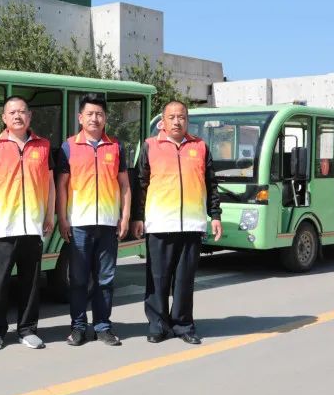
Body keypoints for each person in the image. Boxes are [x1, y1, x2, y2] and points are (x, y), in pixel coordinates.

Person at [132, 101, 221, 346]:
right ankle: (158, 325)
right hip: (160, 224)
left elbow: (211, 183)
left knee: (184, 280)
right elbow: (140, 184)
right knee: (157, 279)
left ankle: (183, 325)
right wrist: (137, 217)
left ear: (187, 120)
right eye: (171, 117)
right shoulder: (150, 145)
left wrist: (215, 216)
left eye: (181, 117)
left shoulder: (200, 147)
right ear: (163, 120)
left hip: (191, 225)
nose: (176, 121)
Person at [0, 96, 55, 350]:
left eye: (22, 112)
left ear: (30, 116)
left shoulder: (43, 146)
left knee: (31, 282)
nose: (17, 116)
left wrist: (49, 214)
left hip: (33, 226)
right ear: (4, 117)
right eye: (12, 112)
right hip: (2, 226)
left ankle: (27, 330)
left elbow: (50, 183)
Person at [55, 94, 131, 347]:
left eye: (99, 114)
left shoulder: (116, 147)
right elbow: (61, 185)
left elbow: (124, 185)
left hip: (108, 225)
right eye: (89, 114)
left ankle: (103, 327)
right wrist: (62, 218)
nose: (94, 118)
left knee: (105, 280)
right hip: (79, 224)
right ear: (80, 117)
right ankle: (78, 327)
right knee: (78, 280)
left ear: (105, 118)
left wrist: (125, 217)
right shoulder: (68, 147)